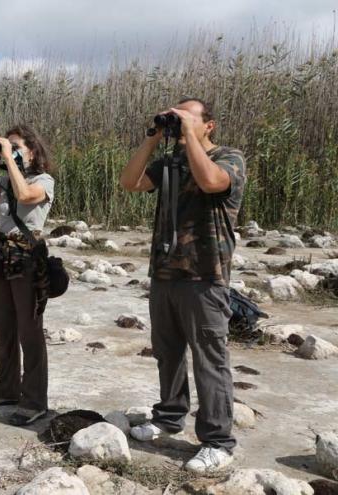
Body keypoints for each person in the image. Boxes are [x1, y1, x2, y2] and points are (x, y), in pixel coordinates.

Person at [119, 98, 247, 473]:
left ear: (209, 126)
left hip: (205, 275)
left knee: (210, 360)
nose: (177, 121)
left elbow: (210, 181)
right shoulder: (170, 161)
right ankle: (169, 416)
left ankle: (218, 441)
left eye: (186, 116)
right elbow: (129, 182)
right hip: (164, 273)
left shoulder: (230, 158)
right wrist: (153, 138)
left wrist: (188, 134)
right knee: (167, 351)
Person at [0, 124, 55, 426]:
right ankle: (6, 387)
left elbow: (26, 195)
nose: (11, 152)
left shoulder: (44, 180)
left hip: (27, 260)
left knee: (29, 333)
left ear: (32, 149)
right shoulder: (4, 181)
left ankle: (34, 400)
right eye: (9, 146)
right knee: (3, 328)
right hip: (1, 259)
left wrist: (9, 156)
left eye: (17, 146)